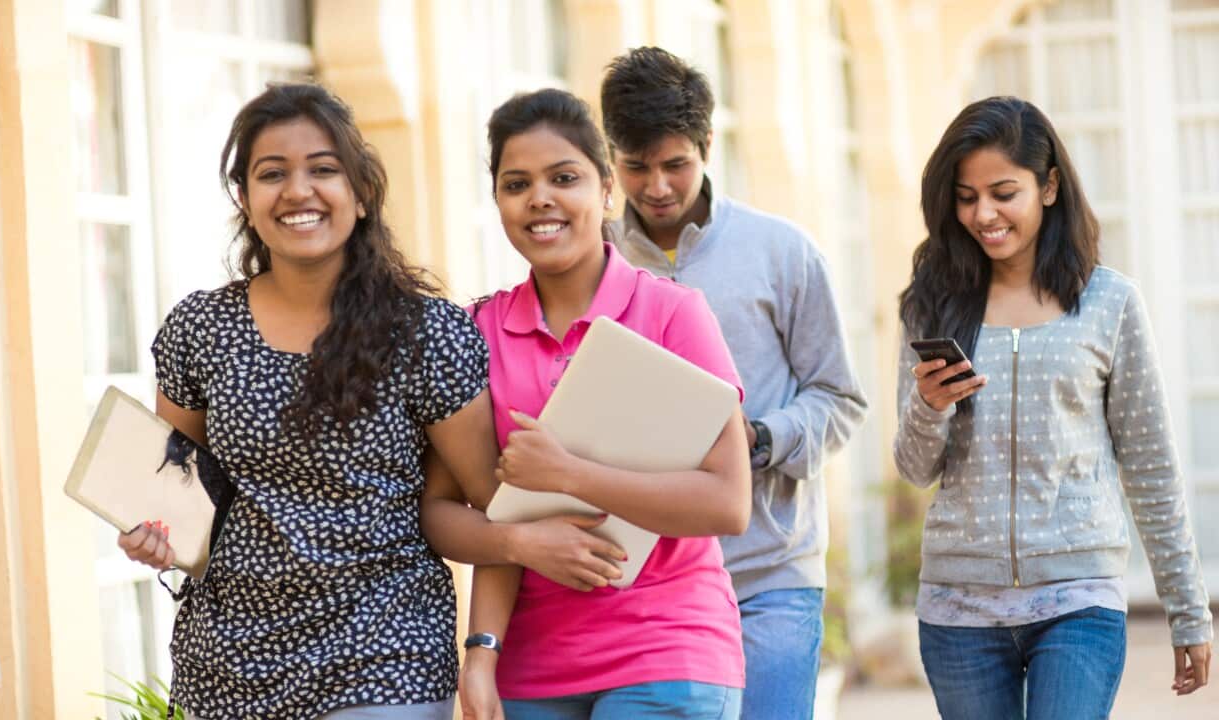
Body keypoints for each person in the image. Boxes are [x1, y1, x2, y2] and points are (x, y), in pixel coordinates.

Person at [116, 82, 502, 720]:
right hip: (230, 662)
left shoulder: (425, 332)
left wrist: (483, 652)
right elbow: (173, 494)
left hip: (385, 651)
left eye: (323, 169)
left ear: (362, 192)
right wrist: (151, 534)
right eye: (273, 174)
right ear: (244, 199)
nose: (298, 191)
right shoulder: (201, 329)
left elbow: (494, 504)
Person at [420, 88, 751, 720]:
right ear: (498, 202)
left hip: (667, 650)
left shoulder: (673, 314)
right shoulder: (475, 332)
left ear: (606, 190)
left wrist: (569, 474)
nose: (540, 198)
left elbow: (728, 502)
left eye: (564, 178)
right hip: (529, 668)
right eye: (517, 184)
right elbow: (441, 510)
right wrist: (516, 553)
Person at [894, 95, 1213, 720]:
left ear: (1049, 187)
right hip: (959, 610)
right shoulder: (932, 304)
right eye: (965, 197)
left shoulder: (1108, 302)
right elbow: (914, 467)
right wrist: (928, 407)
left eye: (1003, 193)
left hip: (1079, 600)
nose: (983, 214)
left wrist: (1187, 609)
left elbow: (1151, 466)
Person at [600, 46, 868, 719]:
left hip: (769, 575)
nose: (657, 187)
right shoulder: (591, 260)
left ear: (708, 145)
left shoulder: (782, 252)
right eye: (636, 167)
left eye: (675, 164)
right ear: (610, 157)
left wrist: (763, 439)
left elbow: (840, 398)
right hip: (643, 586)